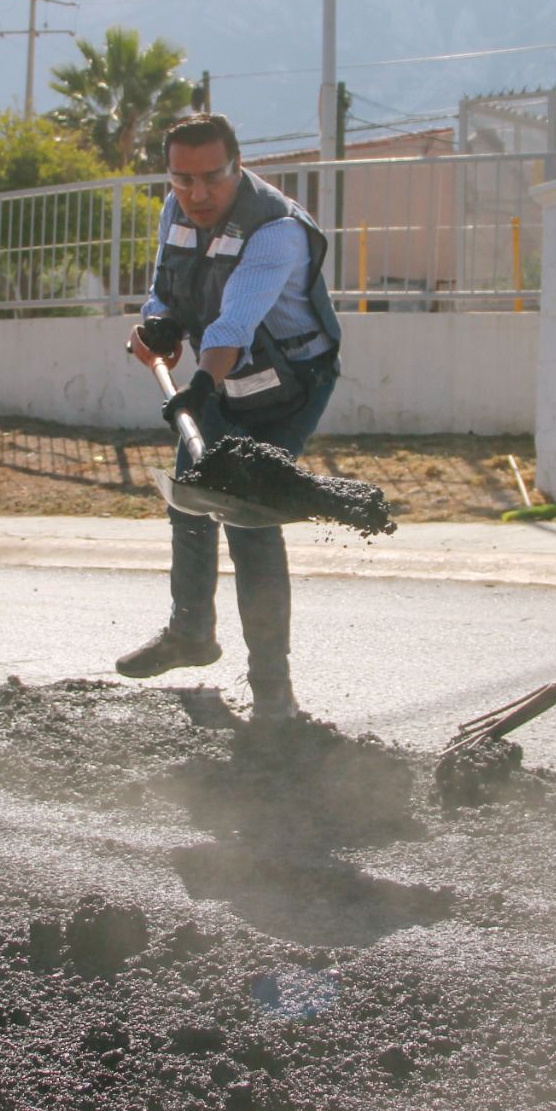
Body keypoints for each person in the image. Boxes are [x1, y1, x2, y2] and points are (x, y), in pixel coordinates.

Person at [116, 111, 342, 723]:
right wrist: (158, 324)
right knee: (189, 498)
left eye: (212, 177)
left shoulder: (277, 230)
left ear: (238, 166)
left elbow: (234, 322)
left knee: (248, 516)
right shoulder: (175, 209)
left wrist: (198, 386)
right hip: (219, 380)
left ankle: (272, 687)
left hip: (290, 384)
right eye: (182, 179)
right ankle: (191, 634)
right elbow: (166, 286)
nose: (197, 193)